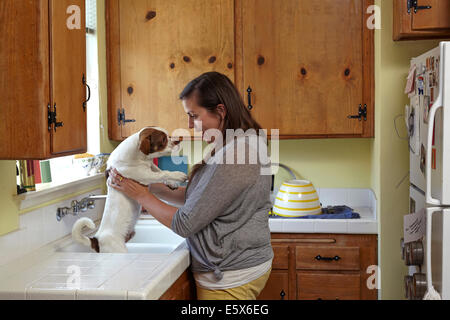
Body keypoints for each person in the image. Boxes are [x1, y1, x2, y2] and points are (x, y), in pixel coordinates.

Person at [108, 71, 274, 300]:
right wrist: (145, 184)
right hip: (233, 269)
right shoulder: (237, 143)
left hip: (230, 277)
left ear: (220, 111)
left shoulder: (237, 155)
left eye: (194, 115)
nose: (189, 124)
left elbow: (185, 223)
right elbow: (200, 199)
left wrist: (142, 195)